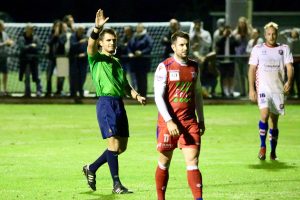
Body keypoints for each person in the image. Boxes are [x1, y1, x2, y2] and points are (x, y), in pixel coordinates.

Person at [82, 9, 146, 194]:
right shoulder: (96, 58)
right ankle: (116, 184)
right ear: (101, 43)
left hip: (119, 104)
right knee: (113, 145)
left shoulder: (117, 62)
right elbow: (90, 46)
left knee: (121, 147)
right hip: (105, 104)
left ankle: (91, 168)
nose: (111, 43)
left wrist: (136, 95)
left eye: (114, 40)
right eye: (108, 40)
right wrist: (96, 28)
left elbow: (125, 85)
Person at [154, 31, 205, 200]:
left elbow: (197, 94)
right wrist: (169, 121)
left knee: (193, 162)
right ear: (173, 47)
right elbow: (158, 97)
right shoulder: (165, 67)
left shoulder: (194, 67)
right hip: (168, 124)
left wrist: (201, 119)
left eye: (187, 44)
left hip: (190, 123)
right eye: (181, 45)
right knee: (164, 162)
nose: (185, 48)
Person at [248, 22, 294, 160]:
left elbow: (290, 67)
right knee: (264, 115)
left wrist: (289, 81)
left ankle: (273, 151)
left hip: (277, 90)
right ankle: (262, 146)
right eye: (269, 34)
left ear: (277, 34)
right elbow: (252, 69)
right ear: (265, 34)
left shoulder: (284, 49)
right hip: (263, 88)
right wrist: (251, 88)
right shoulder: (257, 49)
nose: (271, 36)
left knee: (274, 122)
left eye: (274, 34)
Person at [127, 23, 153, 97]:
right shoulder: (134, 37)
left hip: (144, 61)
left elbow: (150, 47)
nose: (138, 29)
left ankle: (144, 94)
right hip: (135, 62)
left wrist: (141, 52)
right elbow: (129, 46)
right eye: (137, 27)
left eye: (139, 27)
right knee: (137, 78)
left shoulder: (147, 37)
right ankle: (139, 94)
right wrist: (130, 53)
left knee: (143, 78)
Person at [17, 23, 42, 97]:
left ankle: (39, 92)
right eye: (31, 29)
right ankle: (27, 93)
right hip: (25, 61)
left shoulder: (36, 38)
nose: (32, 30)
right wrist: (31, 46)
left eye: (33, 29)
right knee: (27, 78)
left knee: (38, 77)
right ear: (27, 29)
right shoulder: (21, 38)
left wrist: (28, 48)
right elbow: (22, 48)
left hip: (34, 60)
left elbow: (39, 47)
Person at [69, 26, 88, 98]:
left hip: (83, 61)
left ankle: (81, 92)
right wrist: (79, 42)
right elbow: (72, 46)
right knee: (74, 77)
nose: (82, 32)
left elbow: (89, 49)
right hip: (74, 60)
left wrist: (84, 54)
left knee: (82, 77)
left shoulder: (86, 37)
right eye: (80, 30)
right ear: (77, 30)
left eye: (83, 31)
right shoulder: (73, 37)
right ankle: (73, 93)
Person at [0, 20, 14, 96]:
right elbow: (4, 43)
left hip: (4, 57)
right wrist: (6, 43)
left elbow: (8, 42)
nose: (4, 27)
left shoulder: (4, 34)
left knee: (5, 73)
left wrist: (11, 43)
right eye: (2, 25)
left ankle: (4, 90)